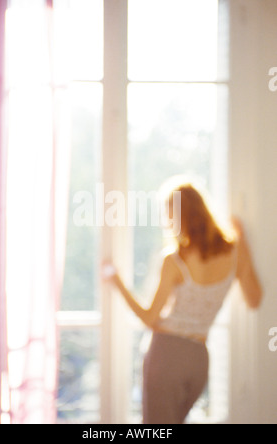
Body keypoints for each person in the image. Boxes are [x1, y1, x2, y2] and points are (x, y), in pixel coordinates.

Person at [102, 179, 262, 424]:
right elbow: (254, 299)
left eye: (168, 216)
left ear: (179, 217)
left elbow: (149, 317)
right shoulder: (236, 252)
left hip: (167, 354)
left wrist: (118, 283)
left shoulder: (175, 260)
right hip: (198, 358)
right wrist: (244, 242)